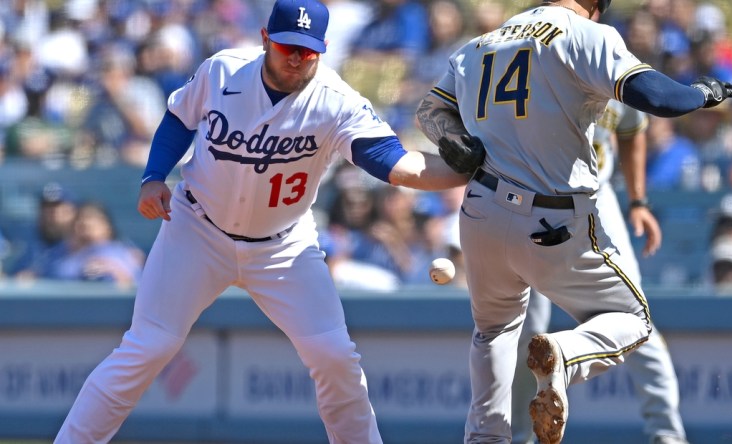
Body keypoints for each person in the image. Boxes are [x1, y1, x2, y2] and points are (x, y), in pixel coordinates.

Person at [54, 0, 469, 442]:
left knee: (333, 355)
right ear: (266, 39)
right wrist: (154, 176)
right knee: (147, 346)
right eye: (288, 46)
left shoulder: (335, 100)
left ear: (323, 49)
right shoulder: (223, 71)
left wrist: (466, 168)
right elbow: (179, 118)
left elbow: (394, 163)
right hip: (197, 229)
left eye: (307, 52)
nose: (296, 58)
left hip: (282, 246)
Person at [414, 0, 732, 443]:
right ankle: (567, 355)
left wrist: (452, 140)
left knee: (493, 333)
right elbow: (659, 98)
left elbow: (430, 114)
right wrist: (706, 92)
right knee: (635, 320)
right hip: (552, 219)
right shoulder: (585, 35)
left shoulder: (478, 45)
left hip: (481, 211)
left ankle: (486, 438)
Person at [510, 101, 689, 444]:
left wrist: (638, 201)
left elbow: (631, 129)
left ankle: (667, 432)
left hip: (596, 197)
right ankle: (521, 436)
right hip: (533, 196)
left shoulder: (618, 67)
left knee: (636, 317)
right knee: (525, 328)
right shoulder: (546, 57)